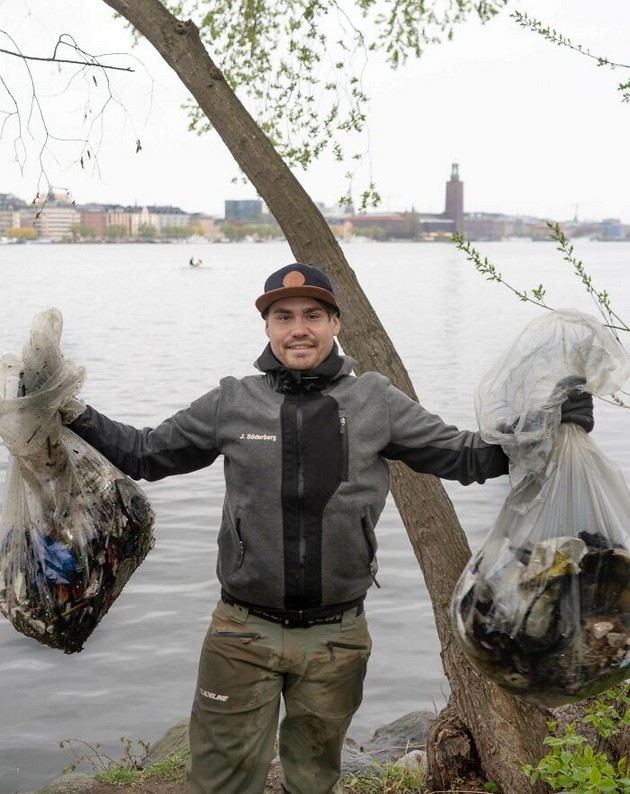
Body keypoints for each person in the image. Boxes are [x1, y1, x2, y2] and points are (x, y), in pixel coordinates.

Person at [64, 263, 594, 794]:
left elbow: (466, 457)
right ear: (267, 328)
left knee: (315, 780)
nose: (299, 328)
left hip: (337, 637)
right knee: (217, 782)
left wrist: (549, 425)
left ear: (335, 322)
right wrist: (71, 412)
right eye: (284, 316)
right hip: (241, 631)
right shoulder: (232, 401)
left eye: (313, 315)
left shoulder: (375, 401)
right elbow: (144, 453)